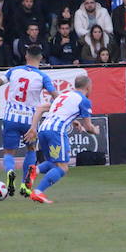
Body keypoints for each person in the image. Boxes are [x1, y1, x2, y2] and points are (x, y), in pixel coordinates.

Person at [0, 46, 59, 198]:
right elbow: (56, 95)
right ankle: (26, 185)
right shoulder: (42, 76)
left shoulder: (14, 71)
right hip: (30, 120)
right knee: (31, 150)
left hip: (11, 118)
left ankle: (10, 172)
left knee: (9, 153)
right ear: (40, 58)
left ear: (26, 56)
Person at [24, 75, 99, 204]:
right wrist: (95, 130)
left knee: (53, 163)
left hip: (43, 130)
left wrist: (33, 128)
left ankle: (34, 170)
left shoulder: (63, 96)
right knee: (63, 167)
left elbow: (43, 109)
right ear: (88, 87)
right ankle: (38, 192)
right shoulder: (84, 100)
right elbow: (89, 126)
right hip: (56, 132)